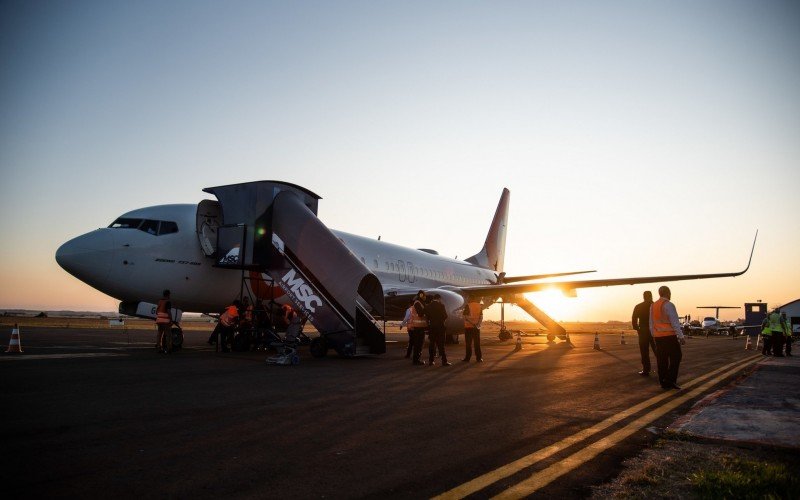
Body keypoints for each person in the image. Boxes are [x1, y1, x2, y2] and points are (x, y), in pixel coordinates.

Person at [649, 286, 685, 390]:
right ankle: (669, 380)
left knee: (662, 360)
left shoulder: (653, 306)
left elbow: (651, 322)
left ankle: (663, 383)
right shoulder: (669, 305)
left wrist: (653, 334)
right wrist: (681, 336)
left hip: (658, 338)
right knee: (677, 357)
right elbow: (675, 323)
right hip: (670, 337)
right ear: (668, 293)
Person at [631, 291, 657, 376]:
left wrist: (637, 328)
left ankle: (646, 370)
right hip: (654, 331)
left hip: (643, 331)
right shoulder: (656, 306)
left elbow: (634, 318)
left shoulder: (638, 306)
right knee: (657, 350)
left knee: (644, 352)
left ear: (643, 297)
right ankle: (663, 368)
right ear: (651, 296)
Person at [425, 294, 450, 366]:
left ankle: (431, 361)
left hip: (432, 327)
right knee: (441, 345)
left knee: (432, 344)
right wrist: (441, 321)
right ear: (439, 299)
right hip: (440, 327)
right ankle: (444, 361)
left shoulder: (428, 306)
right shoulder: (441, 306)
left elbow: (426, 317)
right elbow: (445, 316)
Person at [408, 291, 428, 365]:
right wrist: (426, 309)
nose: (425, 297)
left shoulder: (419, 303)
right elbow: (420, 314)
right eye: (425, 296)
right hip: (418, 327)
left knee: (419, 344)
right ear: (422, 296)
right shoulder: (417, 303)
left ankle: (416, 359)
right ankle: (416, 360)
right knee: (418, 345)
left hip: (420, 327)